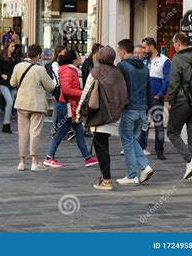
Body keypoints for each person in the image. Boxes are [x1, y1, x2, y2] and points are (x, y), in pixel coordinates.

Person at [77, 46, 129, 190]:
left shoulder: (97, 70)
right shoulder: (117, 72)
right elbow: (124, 93)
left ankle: (106, 180)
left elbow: (86, 91)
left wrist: (78, 112)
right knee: (103, 144)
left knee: (101, 147)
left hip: (101, 114)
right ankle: (105, 178)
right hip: (115, 114)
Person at [43, 50, 98, 168]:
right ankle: (49, 157)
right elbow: (66, 89)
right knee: (63, 131)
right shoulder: (68, 71)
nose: (80, 58)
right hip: (66, 105)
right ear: (73, 60)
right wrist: (83, 92)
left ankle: (88, 158)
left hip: (69, 105)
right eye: (78, 56)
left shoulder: (69, 70)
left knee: (78, 131)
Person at [10, 44, 55, 172]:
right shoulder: (40, 69)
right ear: (39, 55)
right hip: (36, 104)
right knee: (35, 132)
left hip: (22, 103)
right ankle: (35, 161)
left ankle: (22, 161)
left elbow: (12, 83)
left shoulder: (18, 66)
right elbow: (50, 86)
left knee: (23, 132)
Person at [116, 39, 154, 186]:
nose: (119, 54)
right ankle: (145, 166)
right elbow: (148, 91)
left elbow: (118, 89)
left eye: (119, 51)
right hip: (142, 110)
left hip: (129, 109)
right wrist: (148, 111)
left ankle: (132, 175)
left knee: (127, 141)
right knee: (131, 139)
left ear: (123, 51)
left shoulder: (122, 66)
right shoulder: (144, 68)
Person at [167, 33, 192, 180]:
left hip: (182, 101)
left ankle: (190, 160)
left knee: (172, 132)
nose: (173, 46)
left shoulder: (177, 58)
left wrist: (171, 101)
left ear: (179, 43)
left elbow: (174, 82)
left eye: (174, 43)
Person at [140, 37, 171, 160]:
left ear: (151, 46)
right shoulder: (143, 61)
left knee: (158, 125)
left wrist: (160, 93)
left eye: (144, 47)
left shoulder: (164, 60)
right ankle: (142, 147)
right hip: (144, 97)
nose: (143, 50)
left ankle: (159, 150)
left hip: (156, 97)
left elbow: (167, 79)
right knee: (144, 123)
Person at [0, 40, 19, 133]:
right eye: (12, 46)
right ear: (7, 47)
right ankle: (6, 123)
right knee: (10, 102)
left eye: (14, 46)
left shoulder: (15, 57)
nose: (13, 48)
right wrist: (1, 74)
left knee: (10, 104)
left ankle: (6, 125)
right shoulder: (0, 57)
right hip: (3, 82)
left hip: (12, 83)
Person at [45, 45, 66, 135]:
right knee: (57, 110)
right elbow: (59, 75)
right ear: (59, 53)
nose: (66, 54)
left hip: (61, 88)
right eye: (64, 52)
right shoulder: (55, 64)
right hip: (57, 88)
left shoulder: (61, 63)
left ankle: (61, 129)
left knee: (61, 109)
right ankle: (54, 130)